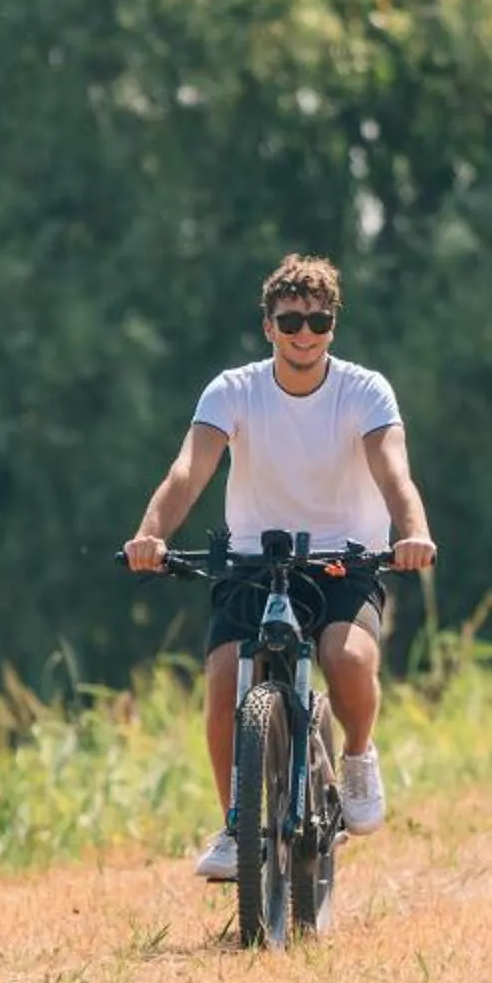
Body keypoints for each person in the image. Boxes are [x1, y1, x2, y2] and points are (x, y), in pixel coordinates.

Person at [125, 254, 438, 880]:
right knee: (221, 688)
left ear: (332, 327)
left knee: (347, 660)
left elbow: (393, 472)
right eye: (290, 320)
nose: (304, 334)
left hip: (343, 560)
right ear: (267, 325)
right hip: (252, 560)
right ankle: (238, 826)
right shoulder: (233, 391)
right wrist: (150, 535)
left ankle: (355, 756)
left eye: (318, 321)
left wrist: (414, 532)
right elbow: (188, 471)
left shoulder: (364, 390)